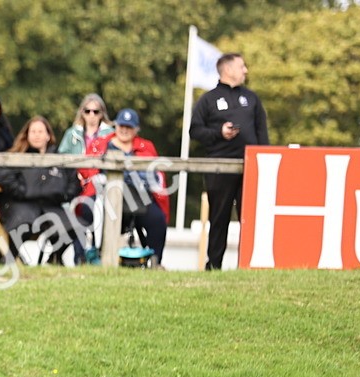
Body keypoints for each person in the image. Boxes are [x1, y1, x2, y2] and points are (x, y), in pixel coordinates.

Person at [189, 52, 268, 270]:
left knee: (251, 216)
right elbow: (194, 130)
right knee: (219, 216)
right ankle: (214, 265)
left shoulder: (252, 99)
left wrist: (264, 161)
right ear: (229, 69)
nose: (246, 71)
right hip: (219, 166)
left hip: (250, 167)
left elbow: (262, 134)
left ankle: (252, 264)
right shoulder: (208, 99)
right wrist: (219, 132)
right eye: (242, 66)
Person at [79, 108, 170, 264]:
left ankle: (156, 261)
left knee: (157, 219)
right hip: (104, 195)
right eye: (122, 126)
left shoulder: (146, 147)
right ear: (116, 126)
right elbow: (87, 170)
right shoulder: (101, 144)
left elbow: (154, 176)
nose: (124, 130)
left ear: (136, 129)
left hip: (137, 197)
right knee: (86, 210)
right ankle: (89, 255)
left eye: (129, 127)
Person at [0, 116, 81, 263]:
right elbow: (3, 176)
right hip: (21, 206)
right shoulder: (16, 156)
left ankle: (54, 260)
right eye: (33, 131)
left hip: (52, 206)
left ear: (48, 135)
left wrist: (62, 195)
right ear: (27, 135)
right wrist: (23, 191)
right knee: (22, 224)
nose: (37, 135)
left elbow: (74, 183)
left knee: (73, 226)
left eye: (40, 131)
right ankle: (9, 258)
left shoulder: (59, 159)